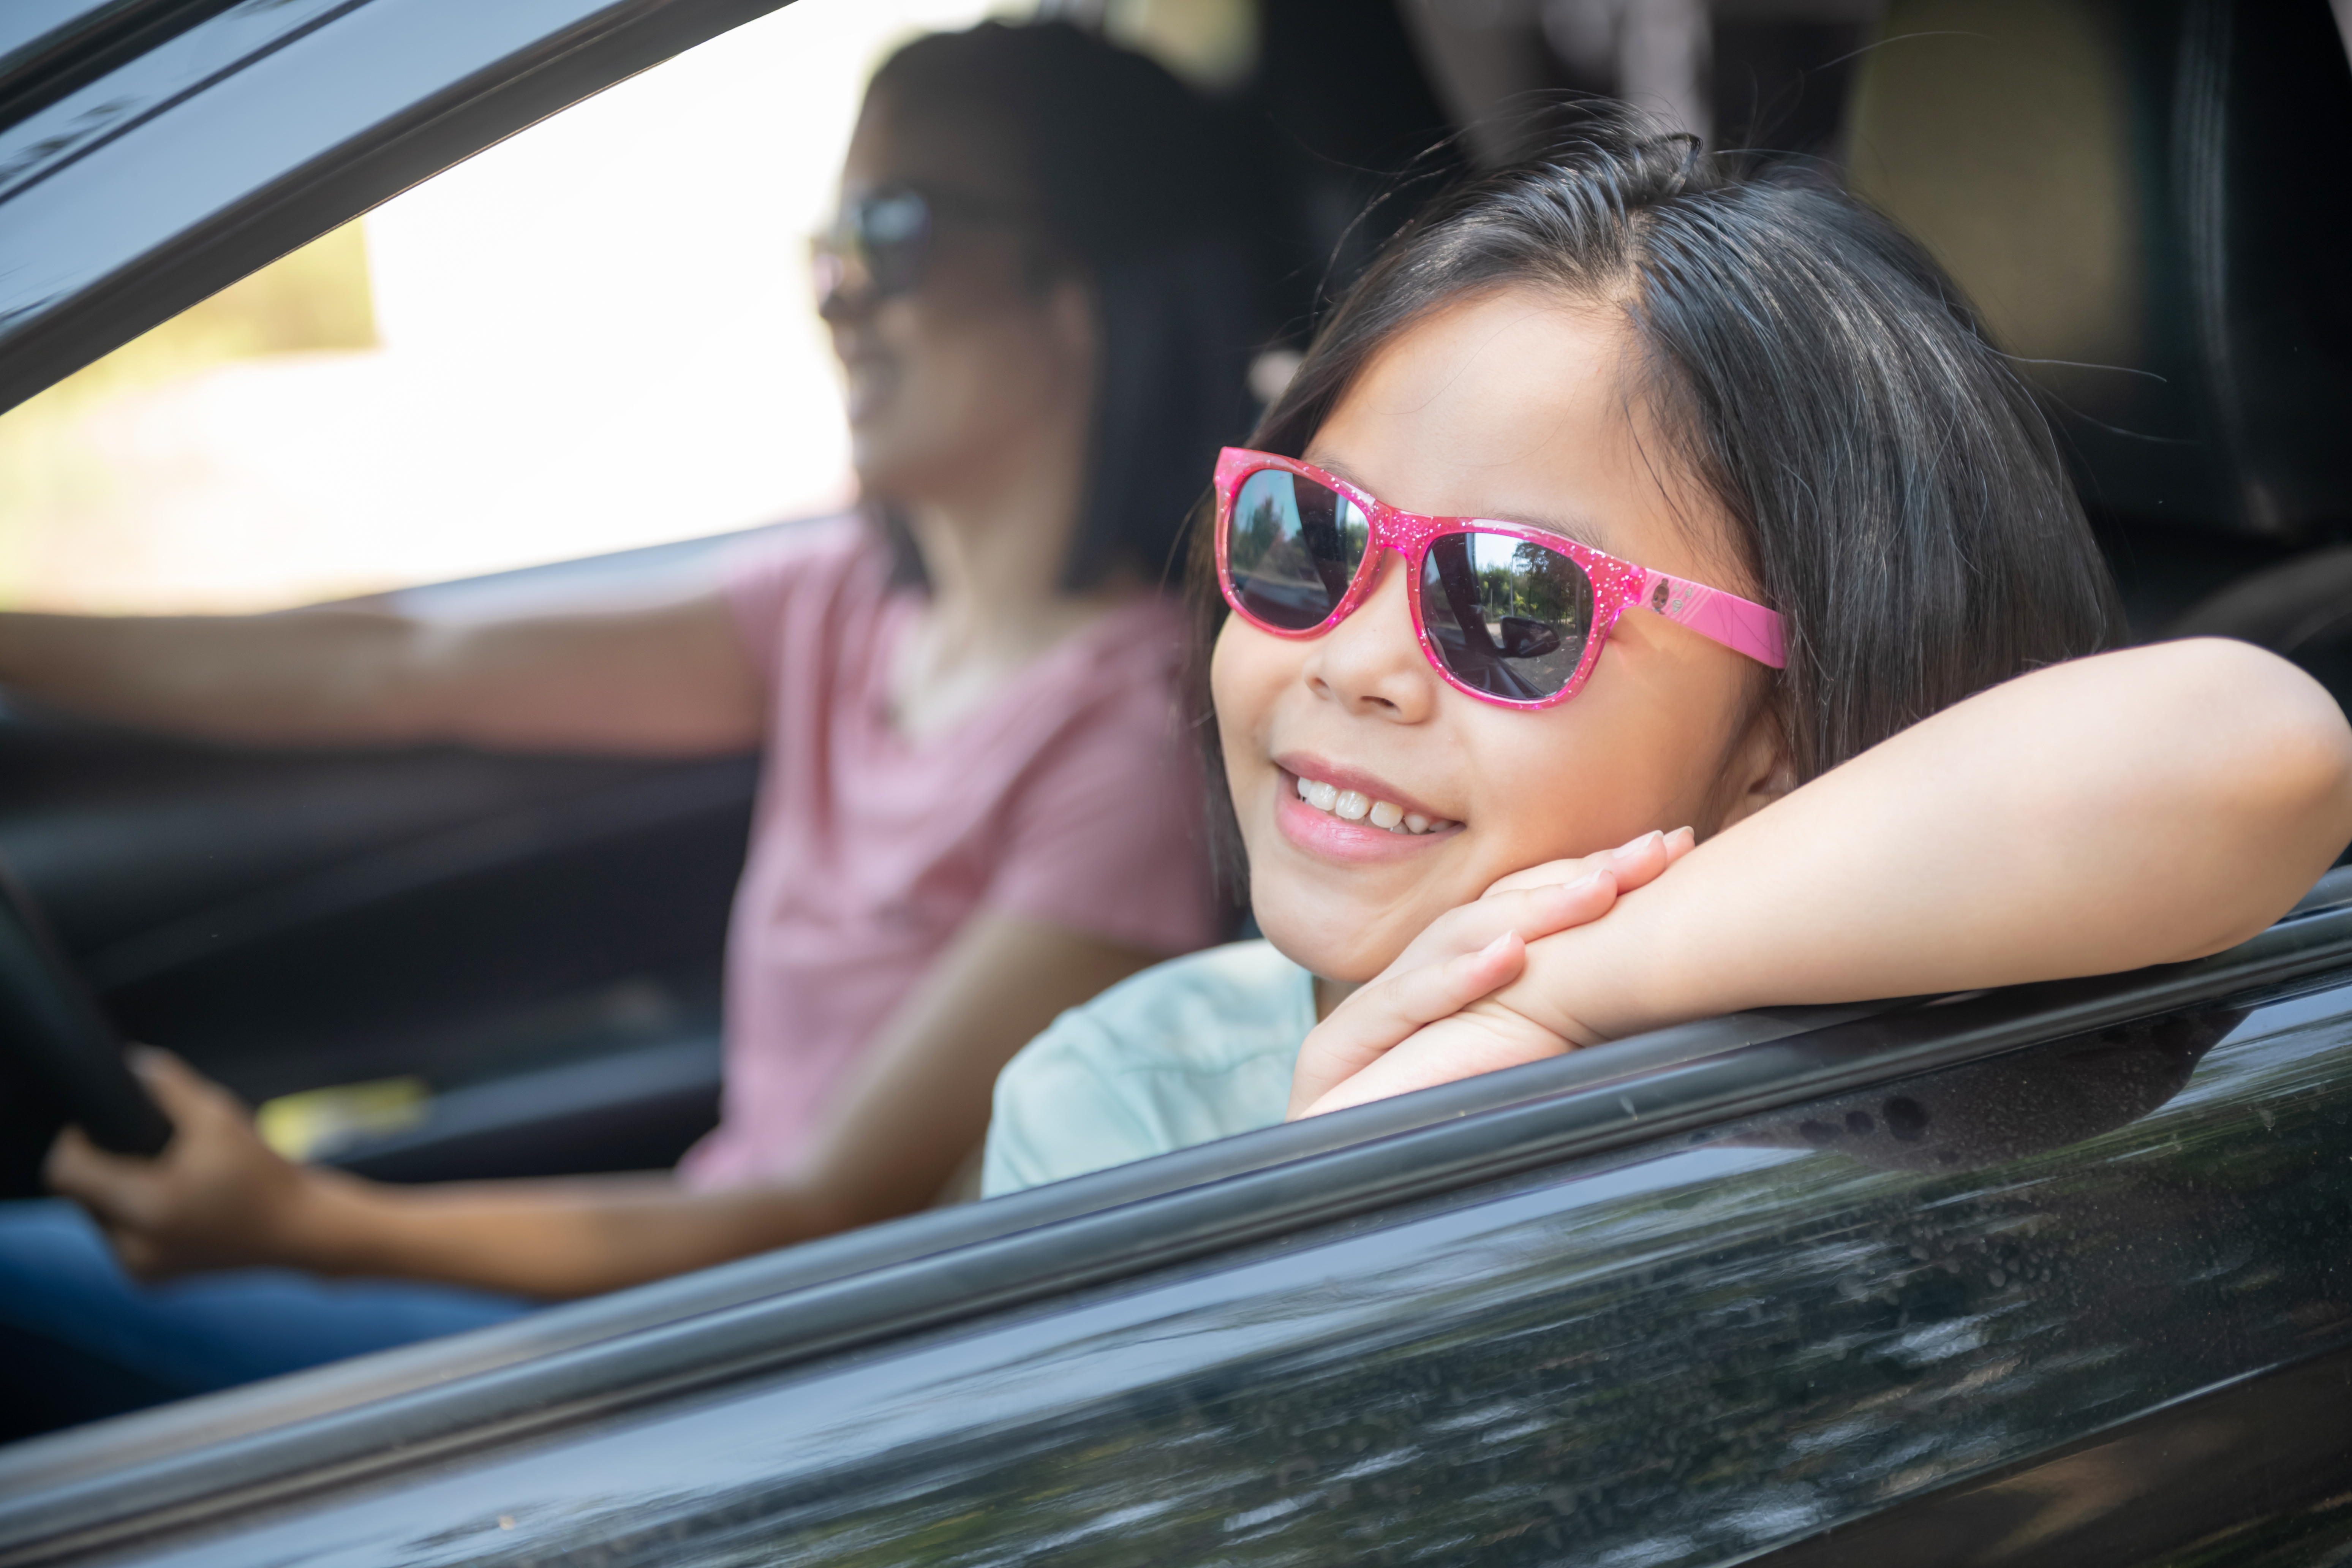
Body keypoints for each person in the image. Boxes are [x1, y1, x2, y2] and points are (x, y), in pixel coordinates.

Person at [0, 22, 1262, 1422]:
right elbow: (405, 663)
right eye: (830, 247)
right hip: (665, 1309)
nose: (838, 300)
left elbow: (820, 1211)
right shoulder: (844, 602)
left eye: (891, 236)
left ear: (1079, 290)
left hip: (745, 1381)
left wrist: (311, 1222)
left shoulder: (1126, 744)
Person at [979, 113, 2352, 1194]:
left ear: (1779, 740)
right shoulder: (1123, 1092)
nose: (1354, 661)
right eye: (1313, 535)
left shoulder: (1929, 1016)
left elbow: (2259, 747)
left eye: (1513, 601)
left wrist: (1550, 1004)